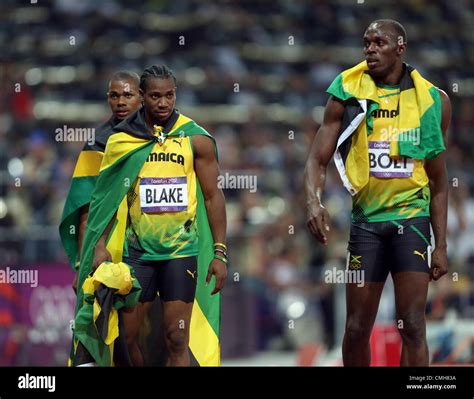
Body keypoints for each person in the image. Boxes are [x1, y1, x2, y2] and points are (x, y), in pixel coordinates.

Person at [304, 19, 451, 367]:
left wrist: (441, 245)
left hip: (411, 222)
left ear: (400, 47)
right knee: (355, 328)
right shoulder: (347, 91)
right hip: (366, 224)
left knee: (413, 325)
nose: (370, 49)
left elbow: (440, 180)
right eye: (366, 43)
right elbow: (316, 159)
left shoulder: (433, 100)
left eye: (379, 43)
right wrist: (314, 202)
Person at [72, 65, 227, 367]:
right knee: (126, 339)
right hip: (137, 254)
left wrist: (220, 253)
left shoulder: (196, 139)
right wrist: (98, 244)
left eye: (169, 95)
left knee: (176, 337)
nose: (163, 103)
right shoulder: (122, 140)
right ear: (142, 96)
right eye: (155, 96)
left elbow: (212, 196)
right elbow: (104, 199)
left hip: (180, 253)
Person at [60, 71, 143, 366]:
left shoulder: (162, 139)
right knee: (99, 328)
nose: (120, 101)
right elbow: (85, 210)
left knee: (147, 336)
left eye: (127, 94)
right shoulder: (97, 144)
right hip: (107, 251)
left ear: (141, 96)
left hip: (153, 248)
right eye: (114, 95)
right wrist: (83, 264)